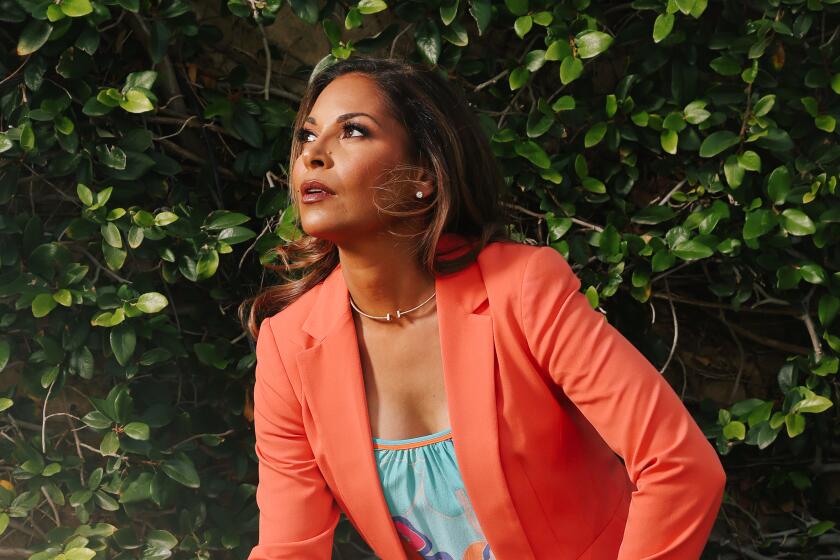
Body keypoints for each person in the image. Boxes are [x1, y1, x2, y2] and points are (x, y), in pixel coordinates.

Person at [242, 55, 726, 560]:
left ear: (422, 175)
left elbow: (680, 466)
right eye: (306, 136)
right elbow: (289, 549)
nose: (313, 156)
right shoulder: (289, 347)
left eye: (354, 132)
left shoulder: (521, 291)